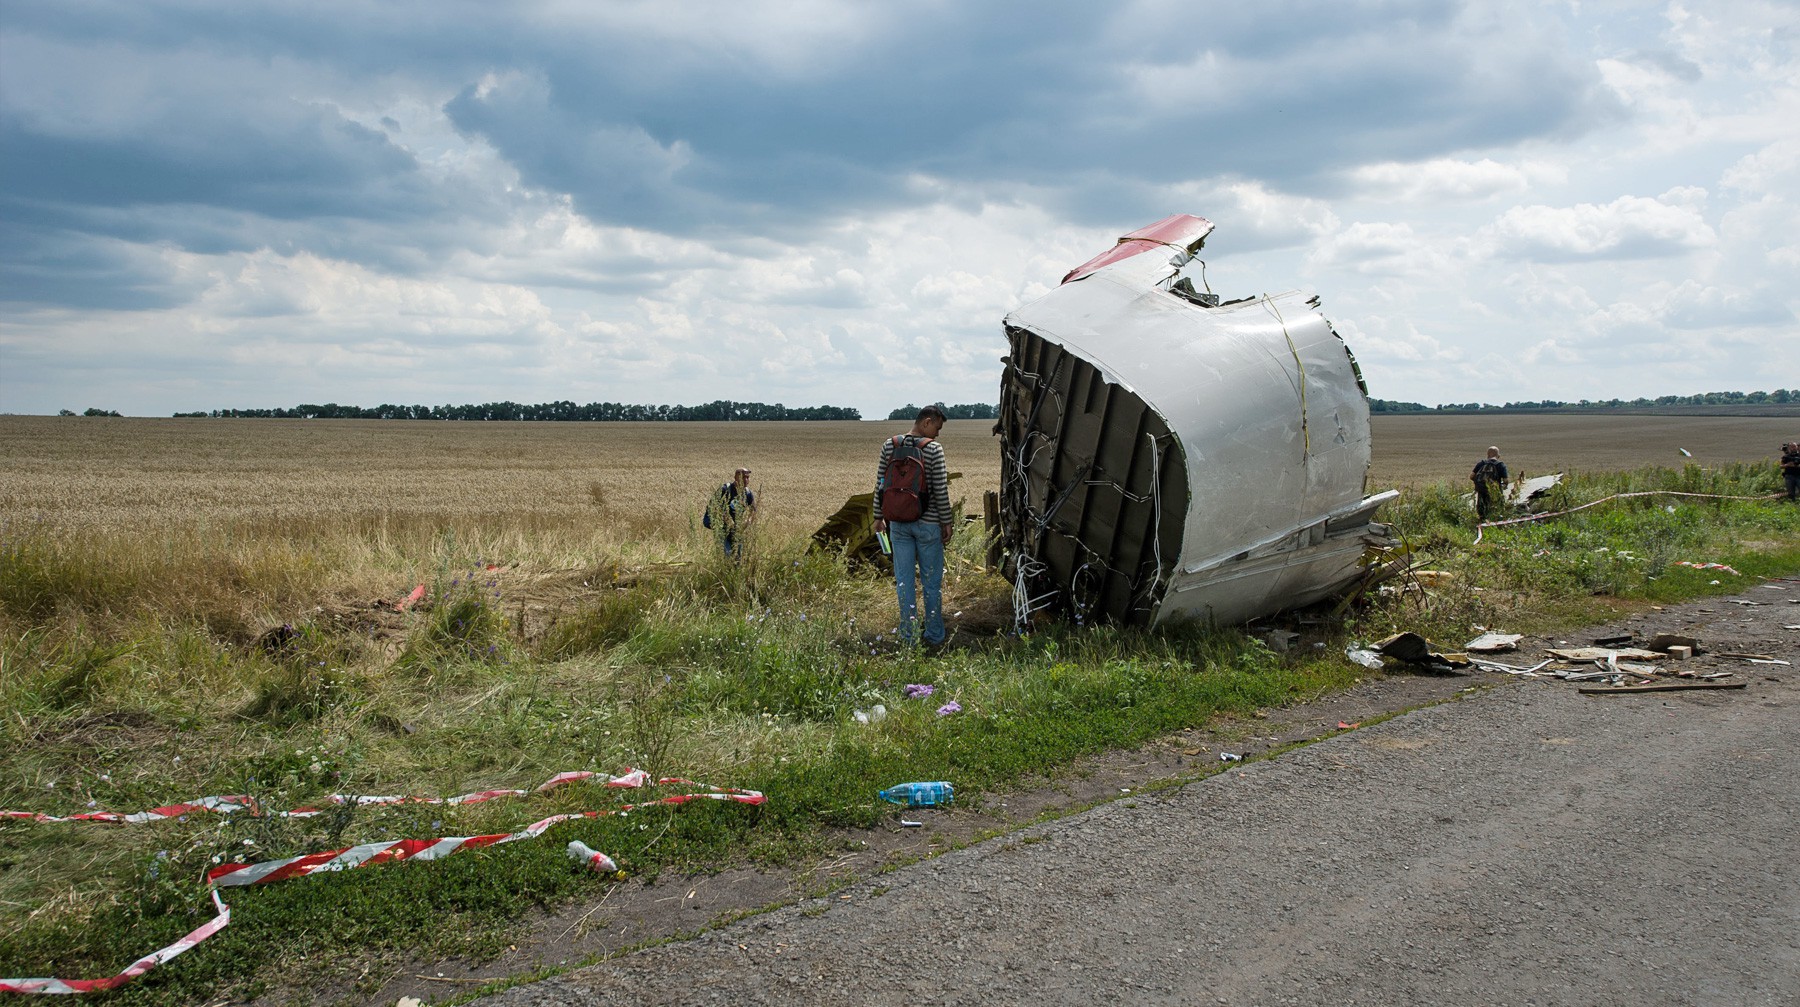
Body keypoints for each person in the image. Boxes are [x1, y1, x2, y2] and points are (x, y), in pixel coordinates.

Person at [873, 404, 953, 647]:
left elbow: (880, 484)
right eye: (937, 428)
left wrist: (878, 517)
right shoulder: (934, 449)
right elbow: (940, 489)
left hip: (897, 524)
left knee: (904, 581)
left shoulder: (890, 445)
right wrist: (946, 522)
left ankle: (909, 637)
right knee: (931, 583)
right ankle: (934, 635)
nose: (937, 434)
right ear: (927, 422)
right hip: (928, 526)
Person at [704, 467, 757, 557]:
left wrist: (748, 521)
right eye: (743, 477)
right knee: (727, 554)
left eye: (748, 477)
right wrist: (726, 519)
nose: (746, 480)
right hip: (719, 523)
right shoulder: (725, 489)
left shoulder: (747, 493)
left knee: (738, 554)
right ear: (736, 478)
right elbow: (713, 507)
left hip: (734, 527)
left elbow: (753, 510)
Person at [1470, 446, 1509, 521]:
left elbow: (1471, 476)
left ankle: (1481, 524)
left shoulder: (1481, 464)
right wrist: (1503, 486)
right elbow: (1506, 481)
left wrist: (1480, 483)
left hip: (1482, 492)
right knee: (1496, 511)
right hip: (1495, 492)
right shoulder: (1500, 465)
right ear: (1498, 456)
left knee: (1482, 513)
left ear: (1487, 455)